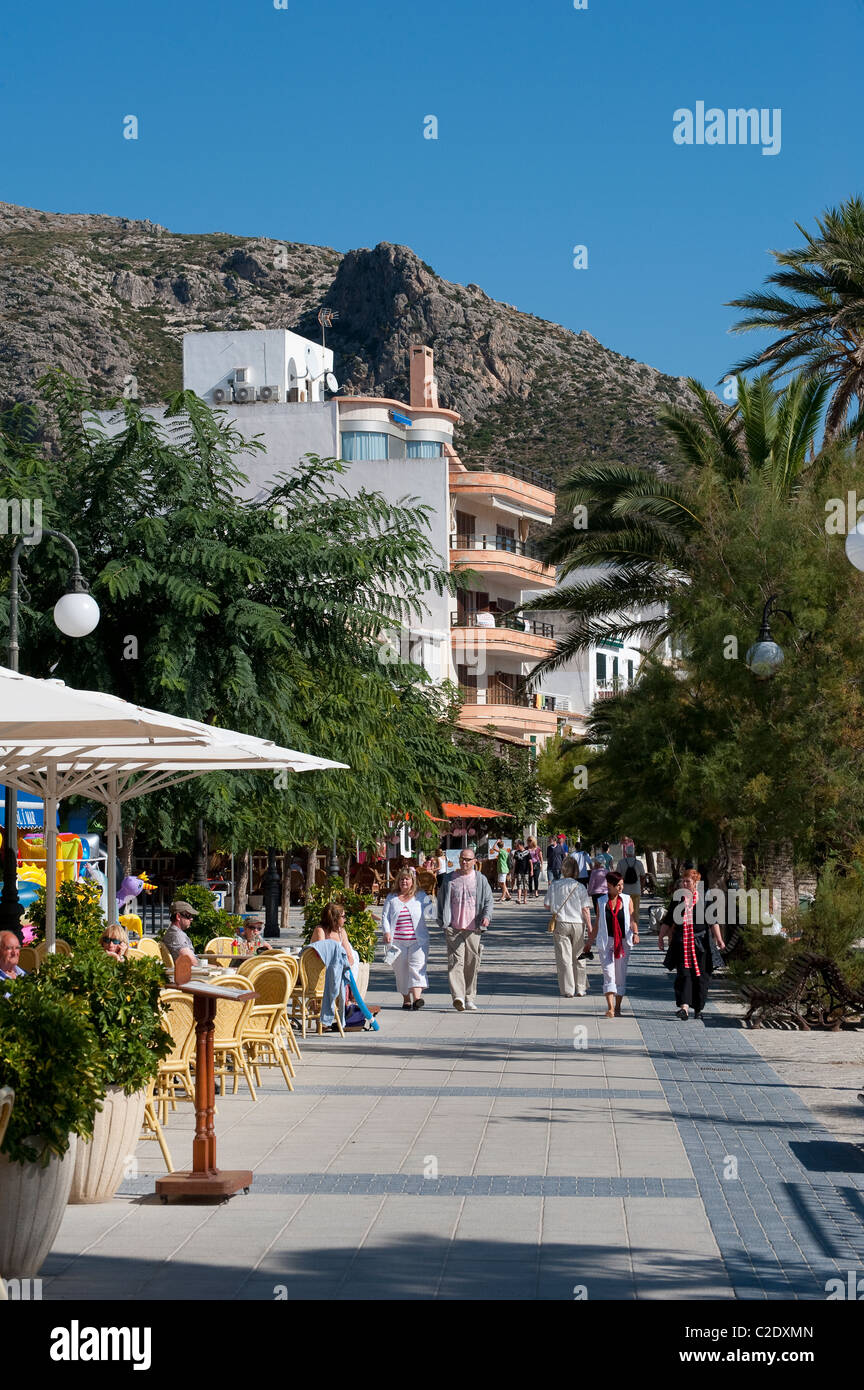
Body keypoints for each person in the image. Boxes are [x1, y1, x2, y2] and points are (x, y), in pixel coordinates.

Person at [657, 868, 725, 1020]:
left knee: (701, 976)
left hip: (702, 943)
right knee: (684, 974)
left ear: (695, 883)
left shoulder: (705, 899)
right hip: (683, 941)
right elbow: (668, 920)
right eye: (683, 881)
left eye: (688, 881)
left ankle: (698, 1008)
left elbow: (713, 921)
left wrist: (719, 939)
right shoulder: (678, 899)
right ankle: (684, 1008)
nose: (684, 883)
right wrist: (661, 937)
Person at [436, 846, 494, 1011]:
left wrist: (487, 917)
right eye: (462, 858)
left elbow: (489, 901)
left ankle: (469, 997)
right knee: (455, 962)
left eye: (468, 859)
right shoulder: (449, 879)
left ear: (474, 861)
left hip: (473, 928)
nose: (464, 862)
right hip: (453, 928)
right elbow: (440, 900)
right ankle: (458, 997)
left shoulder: (480, 879)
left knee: (471, 963)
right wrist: (442, 921)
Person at [381, 866, 433, 1010]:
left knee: (416, 968)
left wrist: (434, 905)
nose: (404, 881)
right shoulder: (391, 898)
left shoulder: (421, 896)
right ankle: (406, 999)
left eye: (407, 879)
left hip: (418, 941)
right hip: (397, 942)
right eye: (402, 879)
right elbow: (385, 916)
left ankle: (417, 998)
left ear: (412, 881)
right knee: (401, 970)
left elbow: (432, 914)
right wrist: (386, 932)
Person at [592, 871, 639, 1017]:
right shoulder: (601, 902)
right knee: (608, 973)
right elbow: (598, 924)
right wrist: (588, 942)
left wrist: (636, 933)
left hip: (623, 942)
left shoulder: (627, 899)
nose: (621, 888)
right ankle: (610, 1008)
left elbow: (632, 919)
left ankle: (618, 1006)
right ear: (609, 885)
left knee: (620, 975)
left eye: (622, 885)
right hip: (606, 942)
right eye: (618, 885)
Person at [545, 855, 592, 997]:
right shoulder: (580, 887)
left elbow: (547, 905)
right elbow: (585, 909)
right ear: (576, 870)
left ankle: (568, 989)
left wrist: (556, 906)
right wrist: (590, 927)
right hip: (578, 923)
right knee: (579, 956)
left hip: (561, 922)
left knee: (564, 958)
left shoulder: (554, 885)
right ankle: (581, 987)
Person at [616, 842, 646, 929]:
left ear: (626, 853)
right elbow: (643, 876)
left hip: (624, 890)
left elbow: (617, 876)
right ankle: (635, 927)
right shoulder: (639, 863)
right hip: (636, 890)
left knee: (625, 909)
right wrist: (642, 887)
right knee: (635, 910)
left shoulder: (621, 863)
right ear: (634, 853)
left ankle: (625, 926)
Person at [163, 900, 199, 969]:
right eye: (188, 915)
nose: (191, 919)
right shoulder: (177, 936)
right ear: (178, 917)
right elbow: (192, 962)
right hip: (191, 975)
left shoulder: (174, 932)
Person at [511, 839, 532, 905]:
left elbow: (530, 862)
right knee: (519, 885)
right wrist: (513, 872)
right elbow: (515, 863)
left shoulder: (527, 852)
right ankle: (519, 899)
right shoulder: (516, 852)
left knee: (525, 886)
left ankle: (525, 899)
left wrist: (531, 870)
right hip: (518, 871)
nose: (516, 846)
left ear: (520, 845)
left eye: (517, 845)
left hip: (526, 871)